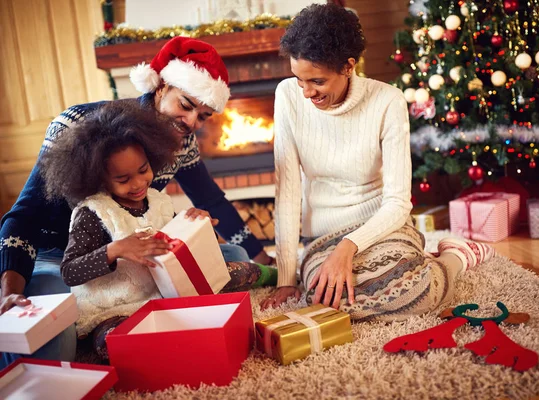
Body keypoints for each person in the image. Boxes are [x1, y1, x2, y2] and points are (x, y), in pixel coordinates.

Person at [0, 37, 273, 368]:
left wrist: (269, 262)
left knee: (233, 256)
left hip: (134, 260)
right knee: (53, 342)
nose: (191, 123)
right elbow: (24, 216)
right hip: (62, 259)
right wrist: (9, 290)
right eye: (186, 105)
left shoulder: (181, 144)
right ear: (161, 87)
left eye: (203, 116)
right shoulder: (77, 124)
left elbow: (211, 200)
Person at [260, 4, 496, 321]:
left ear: (348, 66)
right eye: (299, 80)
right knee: (324, 299)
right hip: (322, 237)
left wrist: (349, 247)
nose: (305, 92)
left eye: (317, 81)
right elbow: (287, 192)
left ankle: (454, 257)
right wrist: (287, 279)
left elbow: (398, 203)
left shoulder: (388, 101)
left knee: (415, 290)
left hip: (381, 228)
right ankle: (416, 263)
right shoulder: (287, 96)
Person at [39, 101, 276, 361]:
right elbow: (70, 271)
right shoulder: (93, 213)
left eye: (143, 171)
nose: (139, 183)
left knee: (235, 267)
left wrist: (197, 225)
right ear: (98, 178)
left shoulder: (158, 200)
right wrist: (115, 250)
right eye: (123, 179)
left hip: (164, 295)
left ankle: (274, 276)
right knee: (116, 342)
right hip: (113, 310)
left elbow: (178, 247)